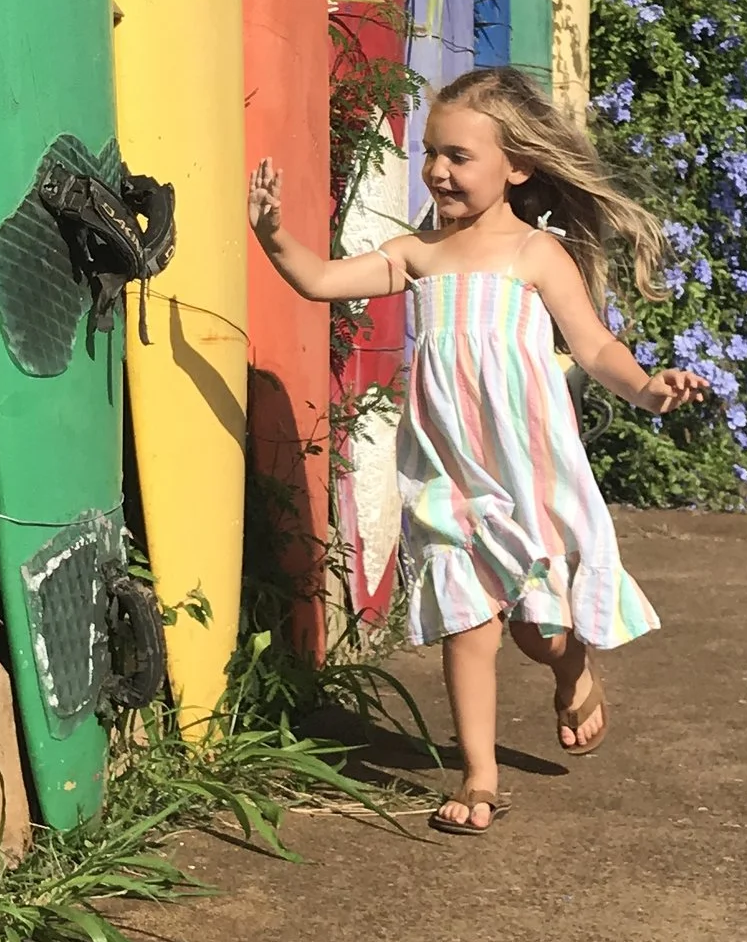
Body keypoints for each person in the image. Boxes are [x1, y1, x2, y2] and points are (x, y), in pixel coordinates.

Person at [249, 64, 708, 835]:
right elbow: (321, 279)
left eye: (459, 155)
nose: (437, 169)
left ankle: (571, 669)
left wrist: (650, 389)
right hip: (446, 476)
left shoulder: (537, 256)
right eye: (432, 152)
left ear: (517, 165)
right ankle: (479, 775)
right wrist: (271, 234)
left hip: (525, 474)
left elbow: (595, 348)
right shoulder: (417, 253)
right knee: (468, 621)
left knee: (541, 630)